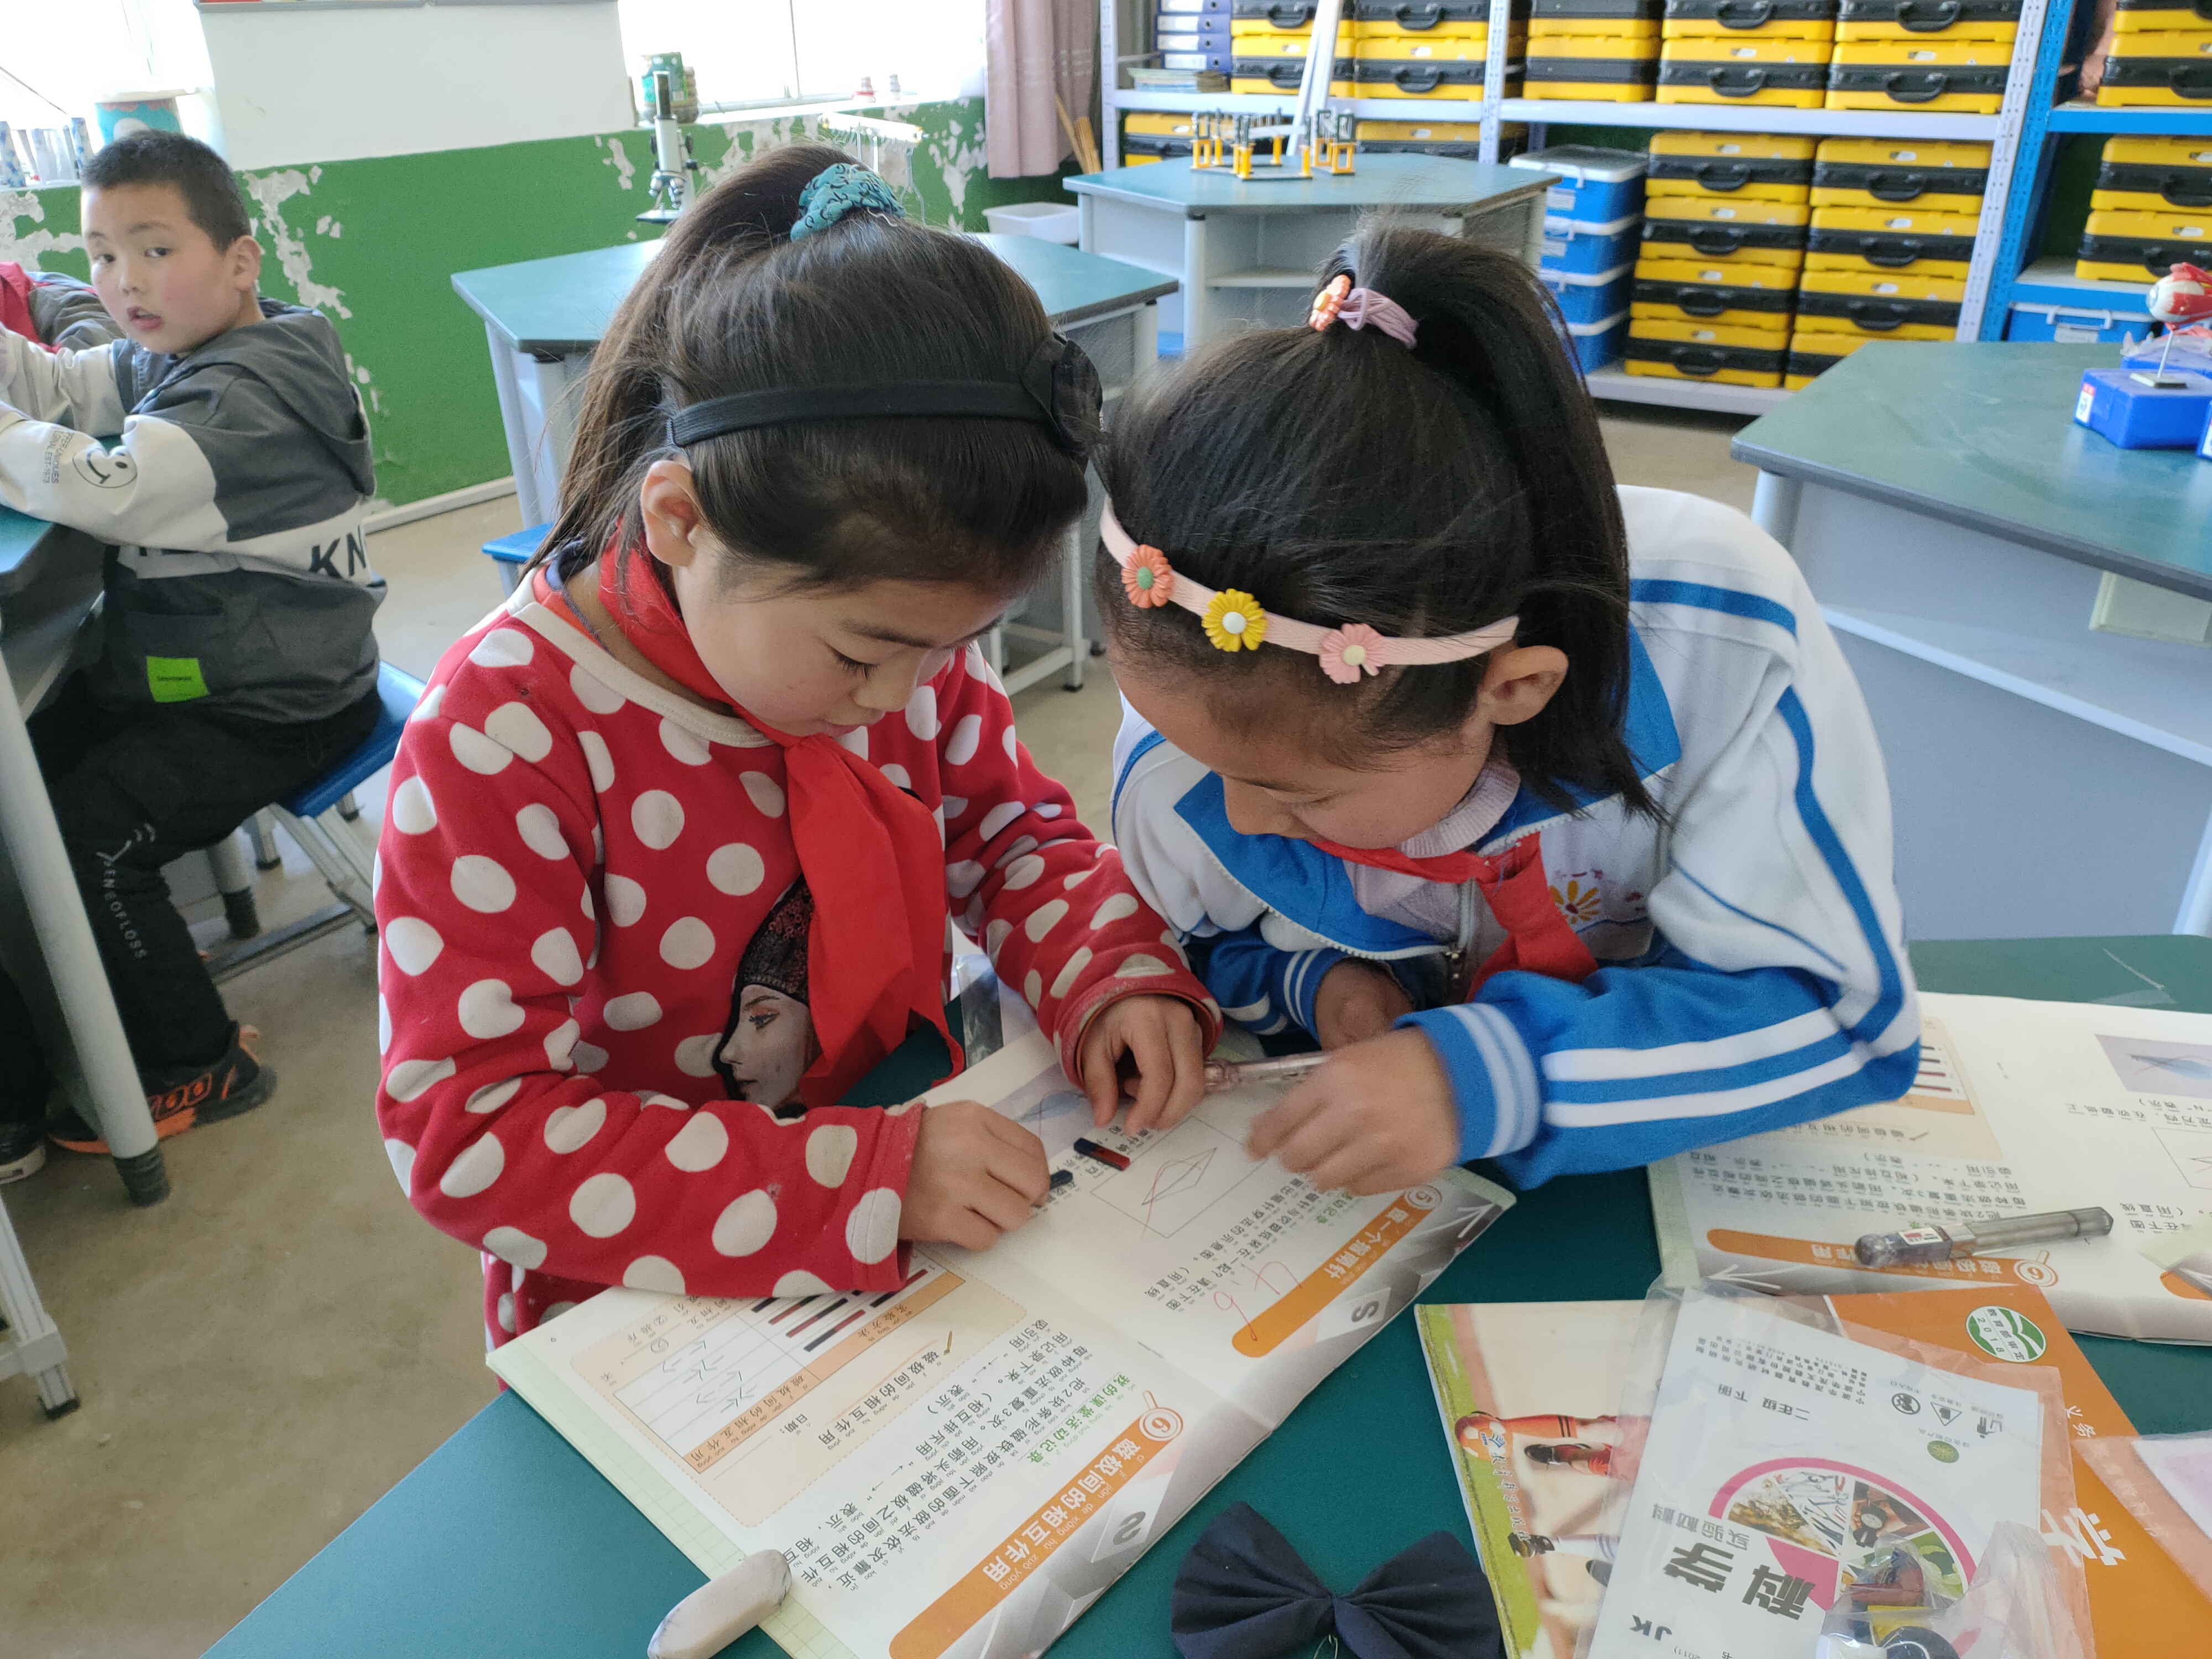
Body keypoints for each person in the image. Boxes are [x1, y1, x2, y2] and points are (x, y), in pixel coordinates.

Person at [374, 150, 1219, 1349]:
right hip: (649, 1299)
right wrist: (856, 1181)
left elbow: (1006, 837)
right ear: (679, 519)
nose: (904, 698)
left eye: (955, 647)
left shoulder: (898, 648)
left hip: (916, 1166)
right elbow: (470, 1134)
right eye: (865, 653)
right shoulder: (503, 736)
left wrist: (1111, 973)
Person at [1102, 225, 1919, 1199]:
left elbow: (1839, 1018)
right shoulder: (1199, 708)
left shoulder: (1720, 637)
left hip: (1654, 1168)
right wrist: (1315, 984)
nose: (1235, 814)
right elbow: (1198, 935)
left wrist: (1488, 1078)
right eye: (1189, 749)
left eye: (1300, 795)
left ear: (1513, 690)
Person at [0, 129, 383, 1165]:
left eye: (155, 249)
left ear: (241, 260)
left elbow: (102, 485)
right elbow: (67, 388)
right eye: (101, 255)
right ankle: (92, 1005)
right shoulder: (191, 347)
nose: (124, 281)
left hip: (281, 699)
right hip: (218, 670)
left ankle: (199, 1062)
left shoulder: (242, 397)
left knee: (86, 839)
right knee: (26, 779)